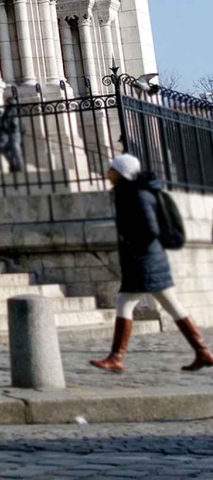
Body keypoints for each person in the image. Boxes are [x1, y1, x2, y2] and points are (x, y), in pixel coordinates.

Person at [90, 153, 213, 373]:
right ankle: (203, 352)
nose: (108, 172)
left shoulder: (136, 195)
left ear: (122, 173)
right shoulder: (132, 192)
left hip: (144, 261)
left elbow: (149, 229)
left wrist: (131, 244)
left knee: (124, 303)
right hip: (151, 260)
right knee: (173, 305)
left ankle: (116, 357)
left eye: (112, 169)